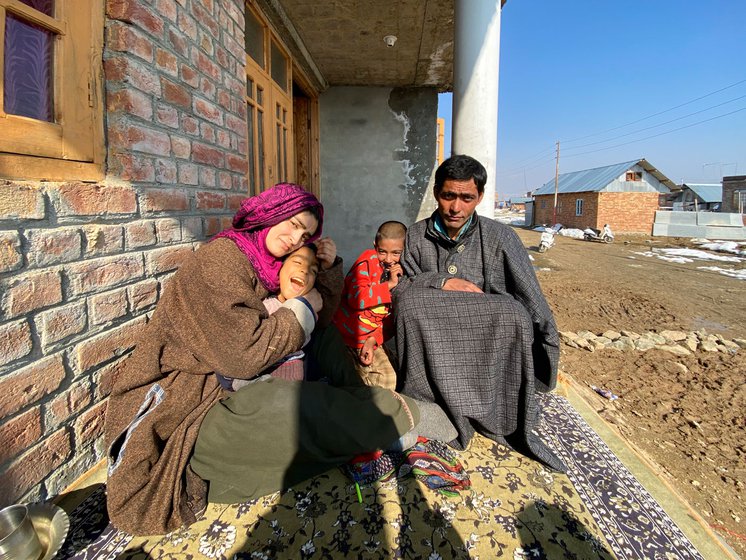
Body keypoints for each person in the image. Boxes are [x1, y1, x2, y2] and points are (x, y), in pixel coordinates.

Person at [103, 183, 455, 536]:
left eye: (304, 233)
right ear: (268, 212)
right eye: (291, 223)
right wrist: (304, 306)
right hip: (193, 406)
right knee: (288, 406)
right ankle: (397, 417)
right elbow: (244, 357)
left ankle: (362, 421)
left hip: (238, 383)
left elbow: (320, 318)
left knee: (324, 342)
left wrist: (327, 270)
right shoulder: (220, 260)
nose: (293, 237)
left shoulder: (269, 263)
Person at [392, 155, 566, 472]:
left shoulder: (502, 238)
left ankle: (485, 406)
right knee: (410, 304)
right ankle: (429, 403)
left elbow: (532, 301)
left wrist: (546, 360)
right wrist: (441, 281)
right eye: (448, 196)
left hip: (487, 347)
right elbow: (399, 288)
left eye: (466, 198)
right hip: (436, 347)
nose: (456, 208)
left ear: (480, 198)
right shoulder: (415, 237)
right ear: (436, 193)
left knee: (513, 312)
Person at [216, 244, 320, 389]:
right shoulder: (264, 308)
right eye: (297, 262)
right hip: (264, 394)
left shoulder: (311, 312)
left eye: (313, 270)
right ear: (279, 268)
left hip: (295, 393)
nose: (305, 270)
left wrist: (332, 264)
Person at [332, 221, 406, 390]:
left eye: (396, 253)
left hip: (369, 338)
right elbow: (356, 298)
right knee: (376, 383)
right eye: (382, 252)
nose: (388, 259)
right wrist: (388, 285)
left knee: (391, 380)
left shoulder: (401, 273)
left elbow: (390, 321)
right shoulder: (368, 260)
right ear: (375, 246)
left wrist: (373, 341)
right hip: (346, 336)